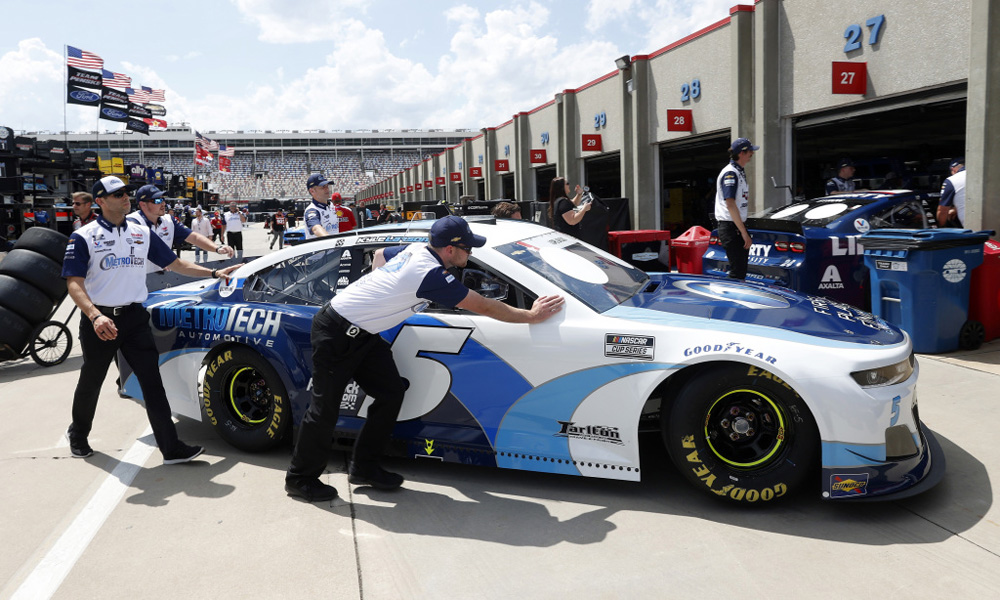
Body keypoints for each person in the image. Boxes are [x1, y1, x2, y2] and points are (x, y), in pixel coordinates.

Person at [284, 215, 565, 502]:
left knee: (391, 393)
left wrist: (377, 299)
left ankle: (364, 467)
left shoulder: (418, 249)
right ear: (450, 249)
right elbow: (484, 306)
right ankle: (300, 479)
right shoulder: (431, 275)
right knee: (325, 408)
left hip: (363, 332)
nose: (471, 252)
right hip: (336, 332)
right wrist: (531, 315)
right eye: (468, 248)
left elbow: (380, 255)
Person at [61, 176, 241, 463]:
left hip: (135, 317)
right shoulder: (84, 236)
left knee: (153, 382)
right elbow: (74, 283)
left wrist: (214, 273)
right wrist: (94, 316)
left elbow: (176, 263)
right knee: (92, 380)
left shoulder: (141, 232)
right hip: (101, 320)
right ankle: (78, 434)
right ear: (100, 201)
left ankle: (171, 448)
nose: (125, 197)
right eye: (117, 194)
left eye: (125, 192)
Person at [127, 185, 232, 271]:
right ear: (143, 205)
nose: (163, 204)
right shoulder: (132, 222)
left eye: (163, 199)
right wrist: (167, 261)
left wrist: (217, 248)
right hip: (137, 281)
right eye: (158, 200)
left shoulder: (168, 220)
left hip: (160, 279)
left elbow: (194, 237)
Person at [715, 137, 758, 280]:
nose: (752, 153)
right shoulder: (731, 173)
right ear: (741, 153)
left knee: (740, 271)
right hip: (731, 227)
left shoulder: (738, 171)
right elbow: (730, 204)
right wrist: (743, 232)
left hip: (735, 226)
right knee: (737, 272)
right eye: (750, 151)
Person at [303, 174, 339, 239]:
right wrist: (331, 240)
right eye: (323, 187)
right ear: (312, 191)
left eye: (327, 186)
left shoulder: (331, 206)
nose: (327, 189)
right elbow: (316, 228)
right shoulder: (312, 210)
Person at [937, 158, 966, 227]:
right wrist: (956, 209)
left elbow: (942, 211)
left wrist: (941, 227)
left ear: (953, 169)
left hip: (974, 228)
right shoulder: (984, 174)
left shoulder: (952, 180)